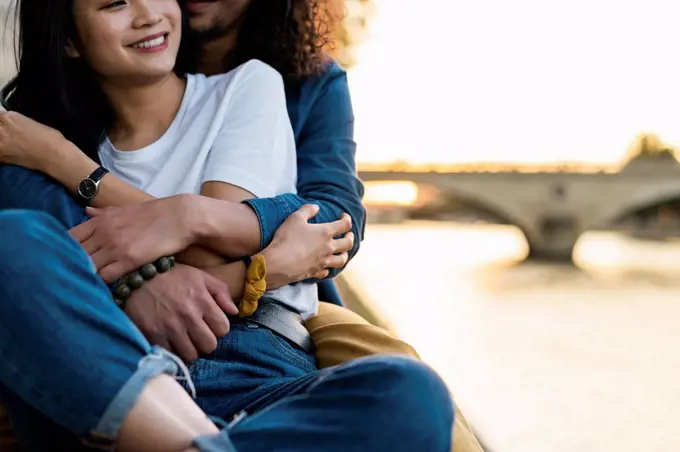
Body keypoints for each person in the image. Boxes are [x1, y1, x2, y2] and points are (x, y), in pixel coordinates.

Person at [0, 0, 454, 451]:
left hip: (255, 369)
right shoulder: (32, 148)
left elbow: (323, 221)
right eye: (115, 4)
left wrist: (85, 174)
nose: (147, 14)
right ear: (68, 40)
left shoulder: (251, 87)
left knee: (408, 391)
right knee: (10, 242)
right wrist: (268, 266)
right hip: (110, 373)